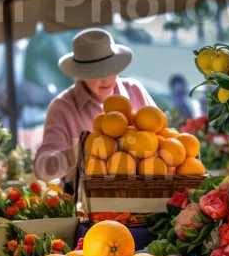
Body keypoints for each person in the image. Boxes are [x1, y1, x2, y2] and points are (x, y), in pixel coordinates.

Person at [34, 28, 157, 186]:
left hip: (143, 193)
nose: (105, 79)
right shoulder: (62, 108)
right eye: (96, 73)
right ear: (81, 73)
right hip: (86, 204)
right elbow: (42, 169)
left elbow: (163, 139)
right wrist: (80, 150)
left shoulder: (135, 91)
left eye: (110, 70)